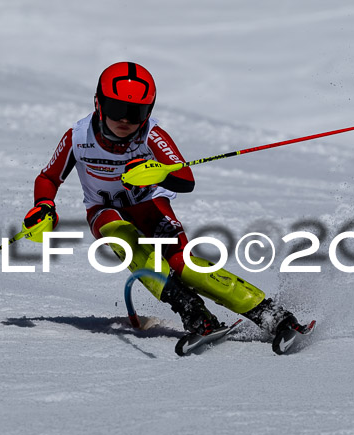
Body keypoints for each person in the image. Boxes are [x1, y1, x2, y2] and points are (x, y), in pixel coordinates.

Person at [24, 61, 303, 339]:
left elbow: (186, 179)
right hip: (103, 210)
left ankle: (269, 314)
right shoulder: (78, 137)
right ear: (98, 104)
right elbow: (49, 178)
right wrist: (44, 205)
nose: (125, 121)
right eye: (116, 109)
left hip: (149, 206)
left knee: (183, 265)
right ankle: (193, 312)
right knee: (124, 239)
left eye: (136, 113)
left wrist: (156, 174)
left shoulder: (152, 134)